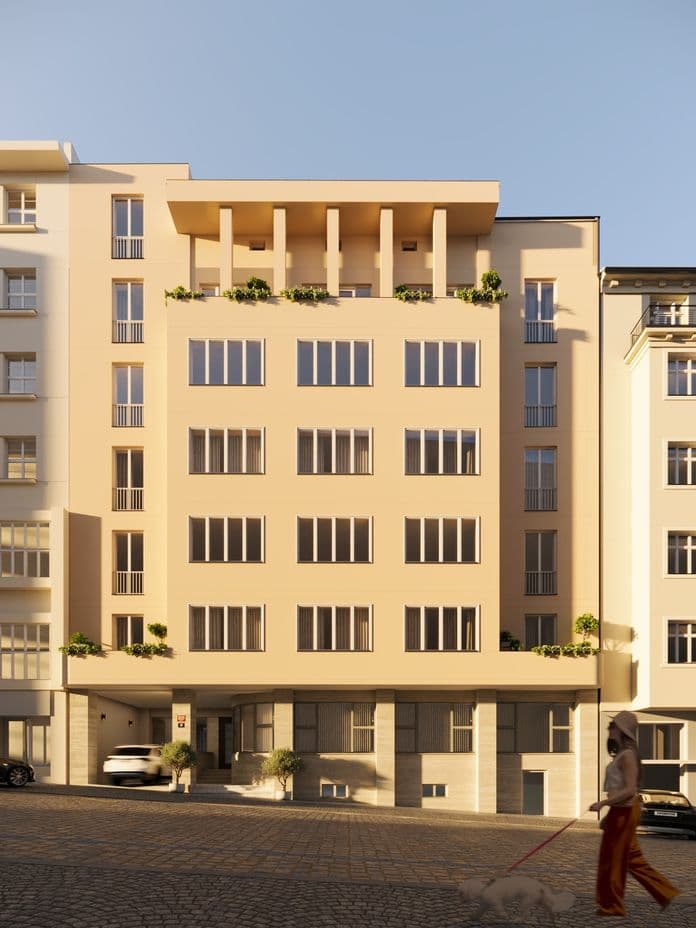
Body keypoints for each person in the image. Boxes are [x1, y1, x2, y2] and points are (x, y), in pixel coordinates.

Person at [589, 710, 681, 916]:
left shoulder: (628, 756)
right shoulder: (621, 755)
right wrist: (608, 815)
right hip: (619, 811)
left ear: (623, 730)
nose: (609, 728)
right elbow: (620, 789)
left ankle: (612, 906)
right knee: (630, 858)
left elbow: (630, 789)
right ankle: (665, 892)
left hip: (626, 811)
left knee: (612, 860)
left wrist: (603, 803)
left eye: (613, 725)